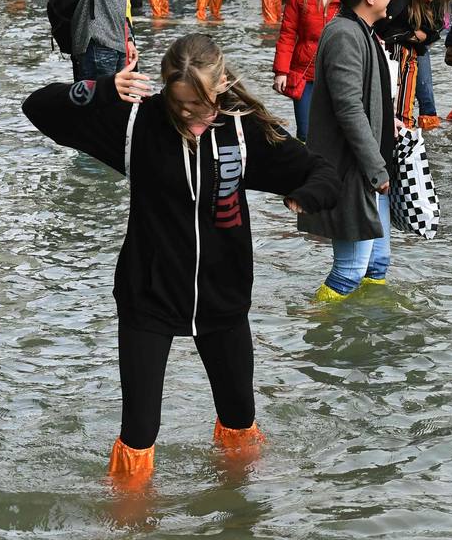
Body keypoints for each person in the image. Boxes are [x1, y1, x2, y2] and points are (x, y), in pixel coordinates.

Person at [22, 34, 339, 491]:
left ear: (222, 84)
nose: (191, 115)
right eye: (181, 104)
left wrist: (304, 196)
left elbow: (320, 170)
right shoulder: (136, 123)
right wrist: (102, 88)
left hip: (223, 297)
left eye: (200, 103)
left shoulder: (241, 128)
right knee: (138, 434)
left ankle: (239, 516)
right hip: (147, 296)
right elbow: (40, 108)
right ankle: (131, 535)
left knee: (239, 422)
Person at [302, 0, 397, 302]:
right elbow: (348, 108)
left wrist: (390, 122)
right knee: (349, 272)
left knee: (377, 265)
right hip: (354, 171)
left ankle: (368, 338)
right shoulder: (344, 34)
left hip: (371, 169)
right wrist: (375, 168)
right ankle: (317, 330)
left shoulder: (361, 31)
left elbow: (364, 99)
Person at [273, 0, 343, 141]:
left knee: (332, 133)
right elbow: (287, 33)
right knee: (305, 133)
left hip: (335, 72)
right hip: (303, 73)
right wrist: (281, 72)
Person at [379, 0, 452, 132]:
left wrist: (422, 37)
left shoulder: (436, 2)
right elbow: (383, 29)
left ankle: (410, 133)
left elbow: (435, 30)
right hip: (395, 55)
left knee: (409, 103)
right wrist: (411, 35)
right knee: (395, 100)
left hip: (413, 55)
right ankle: (400, 133)